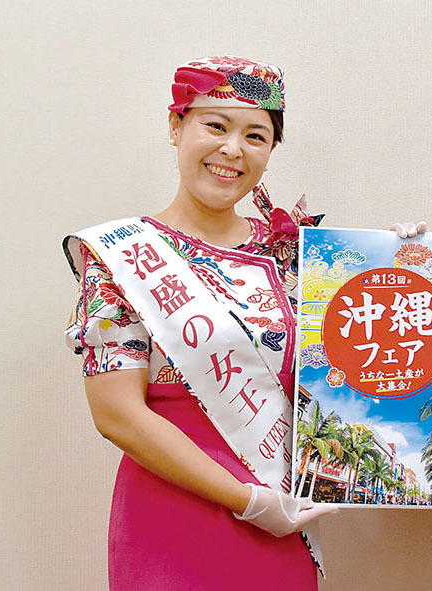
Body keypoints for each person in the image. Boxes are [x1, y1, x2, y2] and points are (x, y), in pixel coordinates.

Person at [63, 56, 339, 590]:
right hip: (169, 516)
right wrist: (247, 500)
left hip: (279, 515)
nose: (233, 150)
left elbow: (346, 371)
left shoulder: (293, 254)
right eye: (215, 125)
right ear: (175, 126)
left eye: (256, 135)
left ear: (270, 151)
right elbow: (116, 414)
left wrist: (402, 265)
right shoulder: (122, 256)